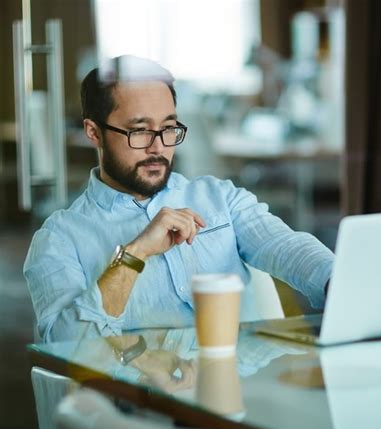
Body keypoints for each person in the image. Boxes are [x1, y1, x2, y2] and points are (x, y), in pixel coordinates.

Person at [24, 55, 334, 343]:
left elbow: (285, 247)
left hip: (247, 390)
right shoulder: (60, 238)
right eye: (140, 130)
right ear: (94, 132)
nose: (158, 147)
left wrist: (337, 282)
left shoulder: (219, 197)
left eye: (169, 128)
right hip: (146, 398)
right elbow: (65, 344)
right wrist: (136, 254)